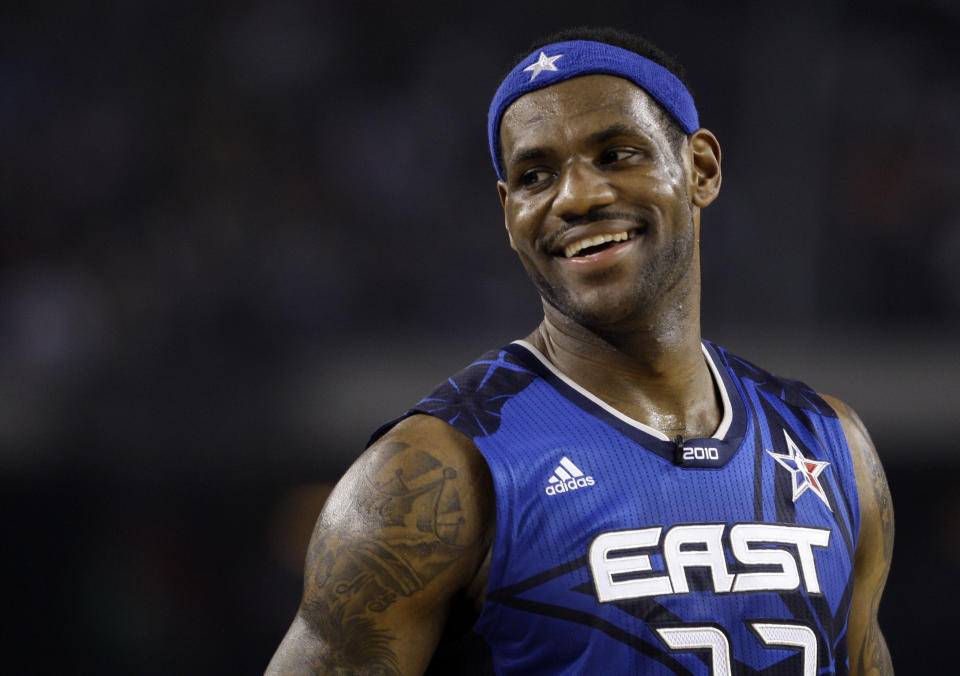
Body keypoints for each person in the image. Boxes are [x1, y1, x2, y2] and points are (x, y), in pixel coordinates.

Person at [267, 26, 893, 675]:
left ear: (700, 169)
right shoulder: (435, 473)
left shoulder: (833, 445)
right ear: (509, 213)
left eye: (618, 154)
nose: (577, 196)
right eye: (536, 175)